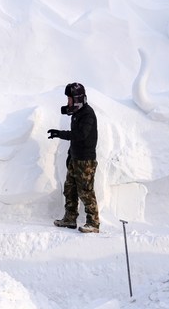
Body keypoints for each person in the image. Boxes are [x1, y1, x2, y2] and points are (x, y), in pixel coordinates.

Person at [48, 82, 100, 233]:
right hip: (75, 158)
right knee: (70, 189)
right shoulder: (77, 114)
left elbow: (80, 135)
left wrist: (60, 134)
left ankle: (93, 223)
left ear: (77, 99)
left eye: (69, 99)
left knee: (86, 191)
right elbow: (75, 138)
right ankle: (70, 218)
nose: (68, 102)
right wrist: (70, 156)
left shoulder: (88, 114)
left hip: (85, 161)